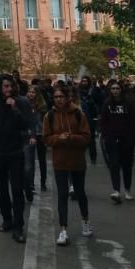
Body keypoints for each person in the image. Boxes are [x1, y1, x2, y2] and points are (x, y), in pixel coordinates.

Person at [0, 74, 33, 243]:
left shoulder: (21, 102)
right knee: (2, 190)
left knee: (17, 190)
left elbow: (26, 124)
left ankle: (19, 226)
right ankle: (7, 219)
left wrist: (15, 108)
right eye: (5, 86)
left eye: (10, 86)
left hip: (15, 152)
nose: (8, 89)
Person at [43, 82, 93, 246]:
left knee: (80, 193)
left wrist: (71, 137)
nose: (58, 100)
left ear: (67, 97)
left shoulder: (78, 114)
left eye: (61, 97)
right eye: (56, 97)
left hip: (77, 160)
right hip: (60, 161)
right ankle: (63, 229)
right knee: (62, 195)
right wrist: (59, 138)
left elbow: (87, 137)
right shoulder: (49, 116)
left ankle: (85, 221)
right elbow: (46, 139)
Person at [99, 80, 135, 203]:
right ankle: (116, 190)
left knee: (127, 166)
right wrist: (106, 136)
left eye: (117, 88)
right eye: (113, 89)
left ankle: (127, 190)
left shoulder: (128, 104)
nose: (115, 91)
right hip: (112, 140)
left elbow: (134, 121)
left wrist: (132, 137)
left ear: (121, 90)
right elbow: (103, 121)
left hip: (126, 140)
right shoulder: (107, 104)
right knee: (114, 165)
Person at [26, 78, 49, 194]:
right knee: (29, 161)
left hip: (40, 134)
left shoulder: (42, 106)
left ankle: (43, 182)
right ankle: (30, 184)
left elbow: (46, 121)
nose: (31, 94)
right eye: (29, 92)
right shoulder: (24, 104)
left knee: (42, 160)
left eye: (33, 92)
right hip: (29, 135)